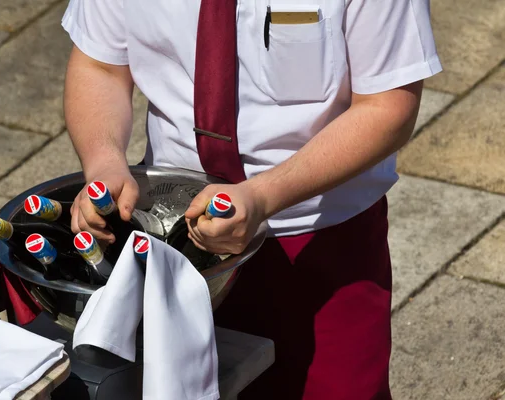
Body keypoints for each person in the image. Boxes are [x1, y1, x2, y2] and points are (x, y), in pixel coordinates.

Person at [61, 0, 442, 398]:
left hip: (318, 239)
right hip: (170, 232)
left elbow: (387, 107)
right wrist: (104, 162)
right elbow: (100, 65)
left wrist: (262, 195)